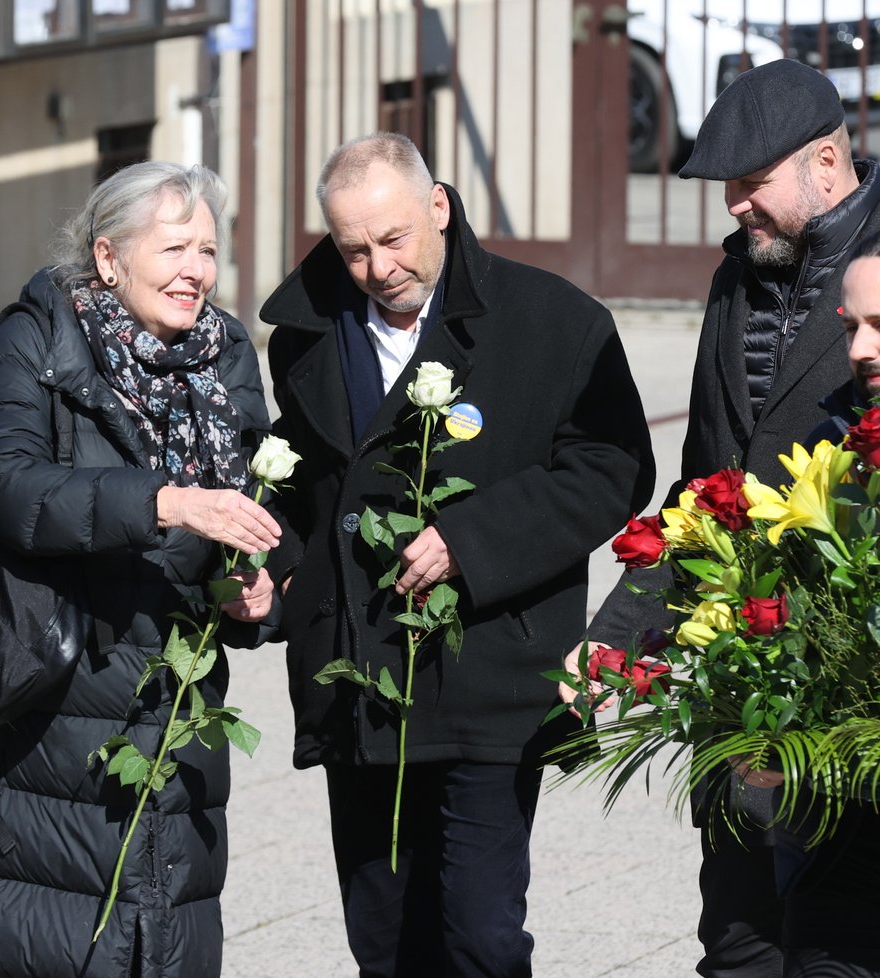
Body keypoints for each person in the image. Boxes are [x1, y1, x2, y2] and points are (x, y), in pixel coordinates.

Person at [256, 131, 654, 978]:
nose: (377, 267)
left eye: (394, 239)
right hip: (360, 679)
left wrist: (473, 542)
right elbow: (302, 484)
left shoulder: (554, 320)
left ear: (438, 206)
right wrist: (273, 569)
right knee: (385, 940)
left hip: (489, 675)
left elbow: (612, 466)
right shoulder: (304, 334)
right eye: (353, 249)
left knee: (479, 936)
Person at [0, 162, 281, 978]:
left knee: (164, 933)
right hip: (58, 688)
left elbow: (253, 507)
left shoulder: (226, 353)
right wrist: (166, 503)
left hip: (177, 700)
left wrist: (257, 589)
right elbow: (11, 488)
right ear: (108, 258)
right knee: (60, 933)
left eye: (208, 251)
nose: (196, 271)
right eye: (174, 247)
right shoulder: (41, 332)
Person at [560, 59, 880, 978]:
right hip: (741, 669)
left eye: (751, 184)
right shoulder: (737, 279)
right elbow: (710, 489)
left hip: (850, 690)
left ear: (826, 163)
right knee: (736, 939)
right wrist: (620, 641)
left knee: (836, 941)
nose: (733, 207)